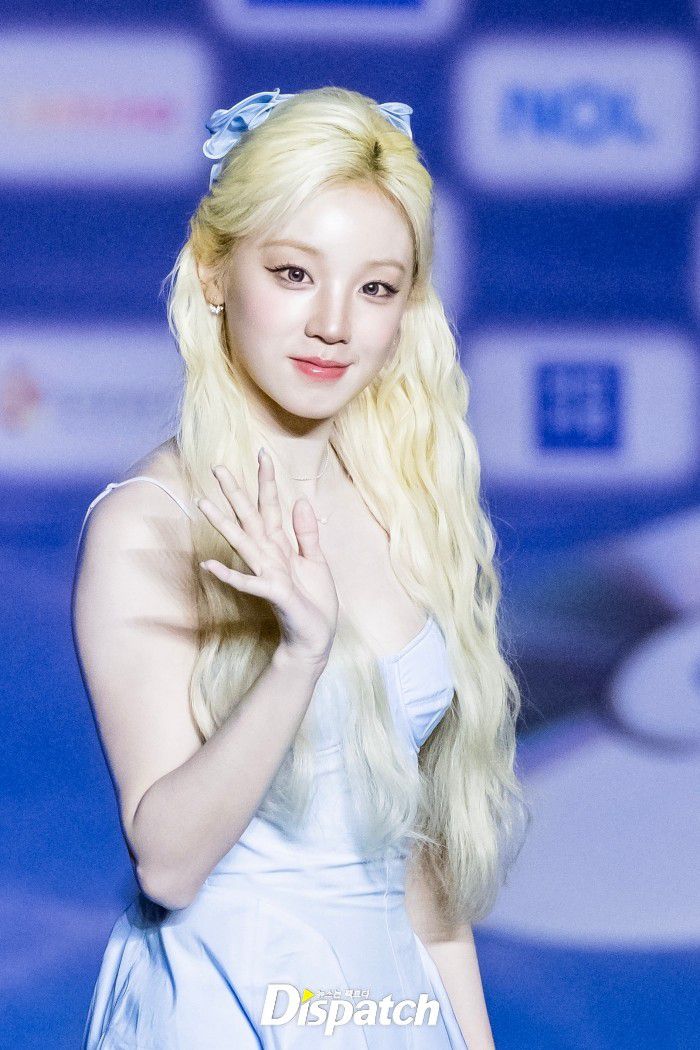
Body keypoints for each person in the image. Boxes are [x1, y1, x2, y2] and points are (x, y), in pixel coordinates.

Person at [72, 86, 530, 1049]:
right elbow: (168, 865)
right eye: (292, 273)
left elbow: (427, 892)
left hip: (389, 1004)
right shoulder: (146, 524)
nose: (334, 324)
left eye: (376, 288)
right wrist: (298, 655)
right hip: (223, 1002)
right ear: (214, 272)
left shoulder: (406, 502)